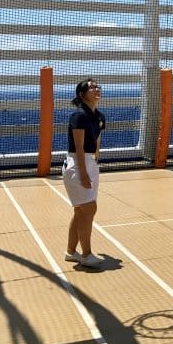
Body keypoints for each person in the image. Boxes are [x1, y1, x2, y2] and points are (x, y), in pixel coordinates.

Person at [62, 78, 105, 268]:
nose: (97, 89)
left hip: (90, 163)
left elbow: (96, 141)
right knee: (89, 209)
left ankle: (71, 252)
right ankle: (86, 255)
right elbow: (78, 147)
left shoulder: (100, 116)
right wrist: (85, 173)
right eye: (92, 87)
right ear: (82, 94)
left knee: (80, 210)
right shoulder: (78, 116)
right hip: (77, 164)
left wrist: (95, 163)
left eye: (97, 86)